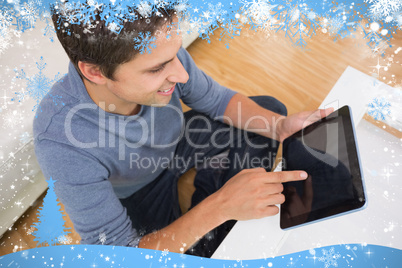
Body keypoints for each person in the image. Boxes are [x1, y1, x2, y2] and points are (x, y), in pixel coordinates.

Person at [33, 2, 332, 257]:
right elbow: (118, 254)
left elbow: (216, 99)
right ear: (94, 72)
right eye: (156, 69)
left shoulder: (161, 48)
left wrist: (280, 128)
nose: (181, 73)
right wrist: (220, 206)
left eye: (176, 54)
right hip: (138, 192)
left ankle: (219, 212)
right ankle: (219, 218)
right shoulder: (59, 141)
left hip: (176, 143)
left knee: (269, 110)